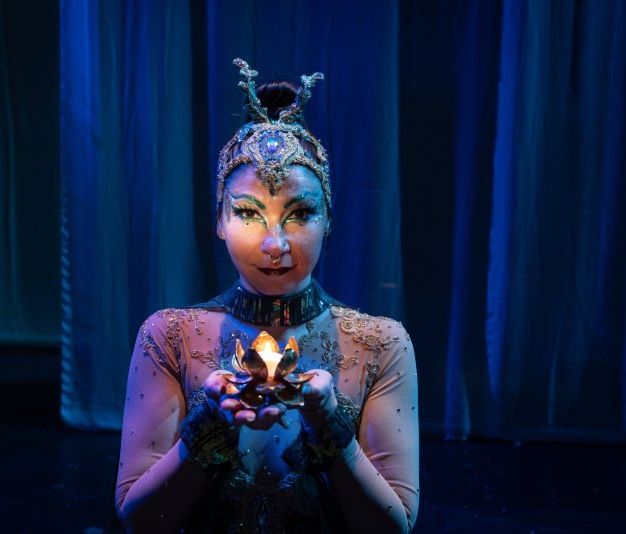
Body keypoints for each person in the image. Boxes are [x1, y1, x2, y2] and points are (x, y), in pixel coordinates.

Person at [115, 58, 419, 533]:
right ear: (219, 221)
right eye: (249, 213)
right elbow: (140, 520)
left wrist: (330, 426)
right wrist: (206, 429)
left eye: (299, 214)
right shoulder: (169, 336)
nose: (275, 244)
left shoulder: (381, 344)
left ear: (329, 221)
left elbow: (393, 526)